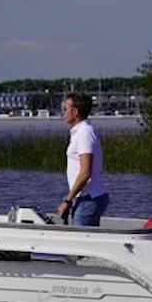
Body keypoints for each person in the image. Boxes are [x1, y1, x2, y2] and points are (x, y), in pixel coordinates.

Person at [55, 92, 108, 226]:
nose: (62, 113)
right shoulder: (80, 132)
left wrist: (67, 200)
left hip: (88, 199)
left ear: (76, 111)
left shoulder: (84, 133)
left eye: (65, 109)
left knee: (80, 243)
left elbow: (85, 172)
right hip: (84, 198)